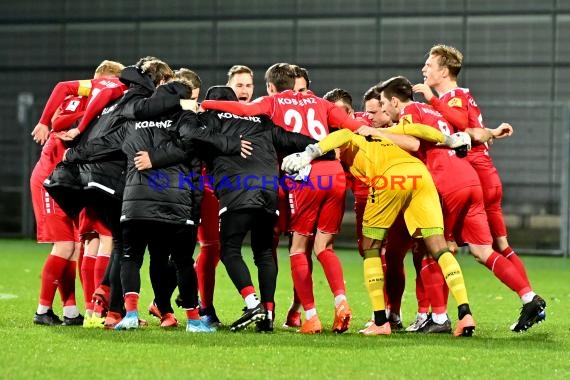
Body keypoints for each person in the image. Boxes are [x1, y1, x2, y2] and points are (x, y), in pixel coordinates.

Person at [201, 63, 366, 334]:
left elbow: (226, 123)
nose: (244, 90)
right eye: (239, 85)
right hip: (307, 181)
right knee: (304, 248)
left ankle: (289, 311)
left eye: (247, 85)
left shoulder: (262, 106)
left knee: (281, 248)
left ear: (267, 86)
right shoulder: (305, 107)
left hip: (281, 183)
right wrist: (322, 152)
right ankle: (287, 310)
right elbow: (338, 130)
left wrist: (201, 106)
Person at [281, 121, 477, 337]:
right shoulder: (379, 134)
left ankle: (381, 321)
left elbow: (343, 134)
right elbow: (417, 129)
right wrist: (451, 140)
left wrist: (309, 153)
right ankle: (465, 313)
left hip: (389, 178)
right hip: (420, 175)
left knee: (370, 247)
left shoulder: (351, 137)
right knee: (439, 247)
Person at [412, 44, 546, 332]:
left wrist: (431, 99)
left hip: (470, 177)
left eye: (429, 64)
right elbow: (474, 130)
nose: (424, 69)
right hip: (484, 176)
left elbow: (461, 124)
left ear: (444, 70)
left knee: (439, 245)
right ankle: (529, 298)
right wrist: (492, 131)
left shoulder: (453, 97)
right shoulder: (461, 97)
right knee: (492, 248)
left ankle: (436, 317)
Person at [30, 59, 125, 326]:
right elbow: (60, 120)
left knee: (75, 248)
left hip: (71, 183)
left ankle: (71, 311)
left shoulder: (102, 108)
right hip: (51, 180)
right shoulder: (82, 100)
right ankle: (42, 311)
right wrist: (49, 121)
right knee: (66, 245)